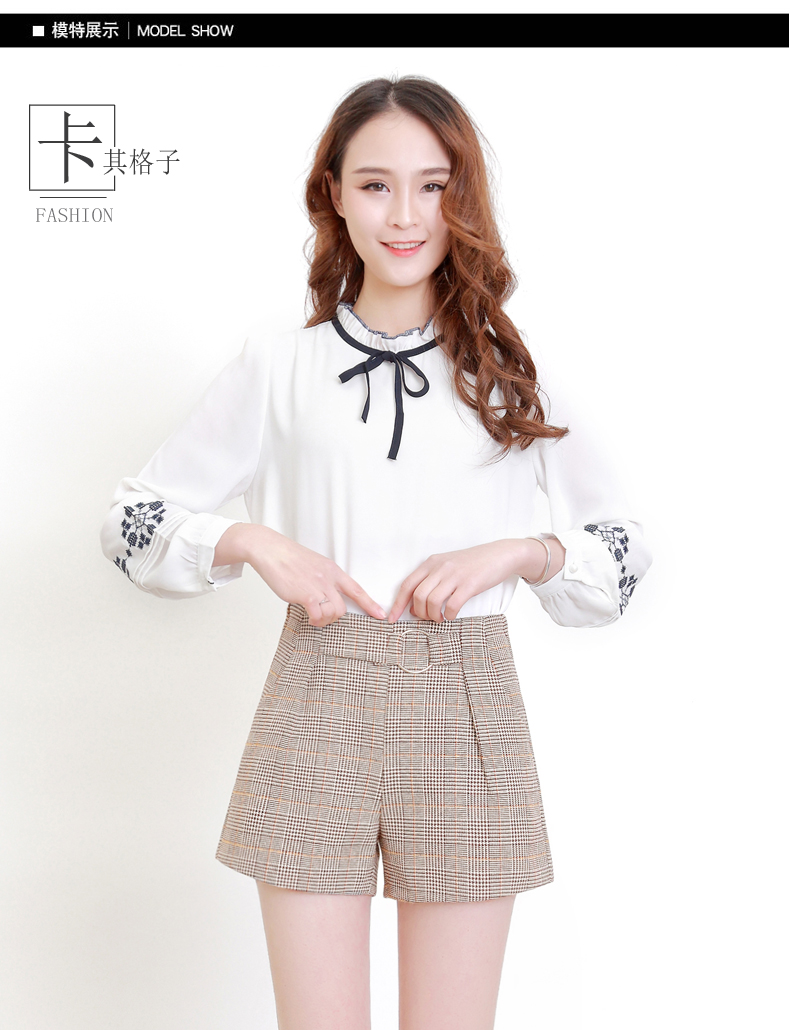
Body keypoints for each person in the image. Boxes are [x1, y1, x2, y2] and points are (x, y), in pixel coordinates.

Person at [101, 76, 652, 1030]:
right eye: (375, 185)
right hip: (318, 690)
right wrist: (250, 541)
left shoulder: (509, 371)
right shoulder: (281, 365)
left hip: (467, 696)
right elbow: (129, 520)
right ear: (334, 195)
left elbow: (623, 549)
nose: (405, 216)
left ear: (464, 196)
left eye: (434, 186)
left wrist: (521, 552)